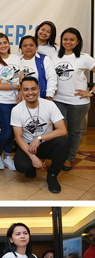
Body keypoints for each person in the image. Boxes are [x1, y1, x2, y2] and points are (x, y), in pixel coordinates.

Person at [11, 76, 69, 194]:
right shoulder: (16, 110)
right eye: (26, 90)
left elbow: (63, 130)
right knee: (21, 166)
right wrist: (33, 157)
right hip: (28, 146)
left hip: (45, 144)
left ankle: (52, 174)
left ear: (38, 90)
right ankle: (31, 167)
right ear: (21, 92)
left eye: (33, 89)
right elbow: (18, 137)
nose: (30, 92)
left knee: (63, 142)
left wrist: (39, 138)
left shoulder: (49, 105)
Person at [52, 27, 95, 172]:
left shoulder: (84, 58)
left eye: (71, 39)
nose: (68, 42)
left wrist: (92, 93)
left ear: (77, 42)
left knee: (74, 132)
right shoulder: (54, 56)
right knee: (58, 130)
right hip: (58, 100)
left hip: (78, 103)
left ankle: (69, 159)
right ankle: (58, 155)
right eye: (65, 39)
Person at [0, 33, 22, 172]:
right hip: (3, 102)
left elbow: (22, 79)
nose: (3, 45)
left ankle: (7, 156)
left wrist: (21, 92)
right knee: (6, 131)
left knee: (15, 131)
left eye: (5, 42)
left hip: (18, 100)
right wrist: (17, 86)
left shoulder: (16, 58)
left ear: (8, 44)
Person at [18, 36, 57, 101]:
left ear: (36, 46)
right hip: (21, 100)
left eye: (31, 45)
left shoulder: (44, 59)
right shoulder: (17, 60)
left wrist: (49, 96)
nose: (28, 48)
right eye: (25, 46)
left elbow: (52, 78)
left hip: (42, 99)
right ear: (21, 48)